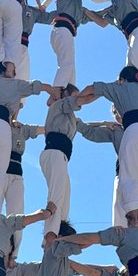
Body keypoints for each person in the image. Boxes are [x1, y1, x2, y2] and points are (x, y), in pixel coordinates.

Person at [77, 65, 138, 229]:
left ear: (122, 79)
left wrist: (75, 101)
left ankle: (134, 221)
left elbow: (93, 88)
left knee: (128, 178)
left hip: (135, 130)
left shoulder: (120, 87)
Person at [0, 63, 54, 219]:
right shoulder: (13, 84)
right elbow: (36, 86)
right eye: (13, 70)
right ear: (5, 70)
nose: (14, 73)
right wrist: (52, 90)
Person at [40, 84, 82, 237]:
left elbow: (84, 125)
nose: (76, 99)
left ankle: (60, 229)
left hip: (60, 155)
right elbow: (77, 102)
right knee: (56, 195)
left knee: (64, 195)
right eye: (74, 95)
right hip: (55, 152)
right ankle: (50, 236)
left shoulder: (68, 114)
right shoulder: (60, 105)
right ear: (66, 95)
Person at [0, 117, 44, 251]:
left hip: (16, 175)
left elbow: (45, 129)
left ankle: (13, 254)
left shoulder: (22, 129)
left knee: (17, 214)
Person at [76, 112, 125, 224]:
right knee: (120, 209)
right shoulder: (115, 129)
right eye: (115, 113)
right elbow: (89, 131)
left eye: (119, 112)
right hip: (122, 171)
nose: (117, 116)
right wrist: (103, 123)